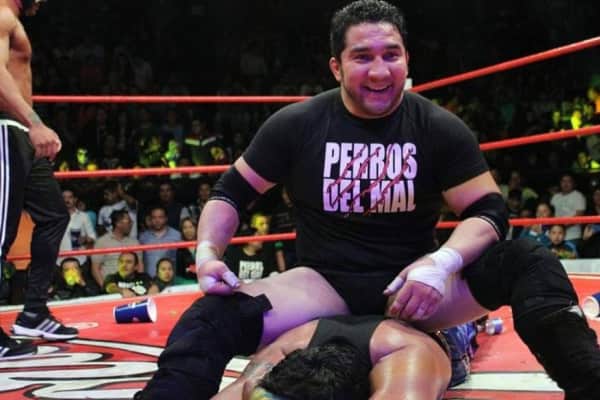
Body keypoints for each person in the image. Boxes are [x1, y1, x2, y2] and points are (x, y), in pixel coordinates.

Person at [139, 1, 600, 399]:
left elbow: (489, 211)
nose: (379, 71)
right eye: (362, 57)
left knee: (528, 260)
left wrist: (440, 263)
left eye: (391, 55)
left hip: (415, 289)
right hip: (320, 288)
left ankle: (590, 384)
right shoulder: (298, 124)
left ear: (407, 58)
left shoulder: (437, 127)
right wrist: (207, 252)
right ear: (336, 66)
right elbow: (231, 193)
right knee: (210, 317)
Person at [0, 0, 78, 355]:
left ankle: (33, 312)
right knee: (1, 236)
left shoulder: (12, 18)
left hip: (20, 133)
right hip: (6, 128)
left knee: (54, 216)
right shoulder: (2, 13)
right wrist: (34, 123)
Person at [214, 314, 453, 400]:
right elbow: (247, 387)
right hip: (336, 322)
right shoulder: (284, 351)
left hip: (435, 333)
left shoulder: (408, 363)